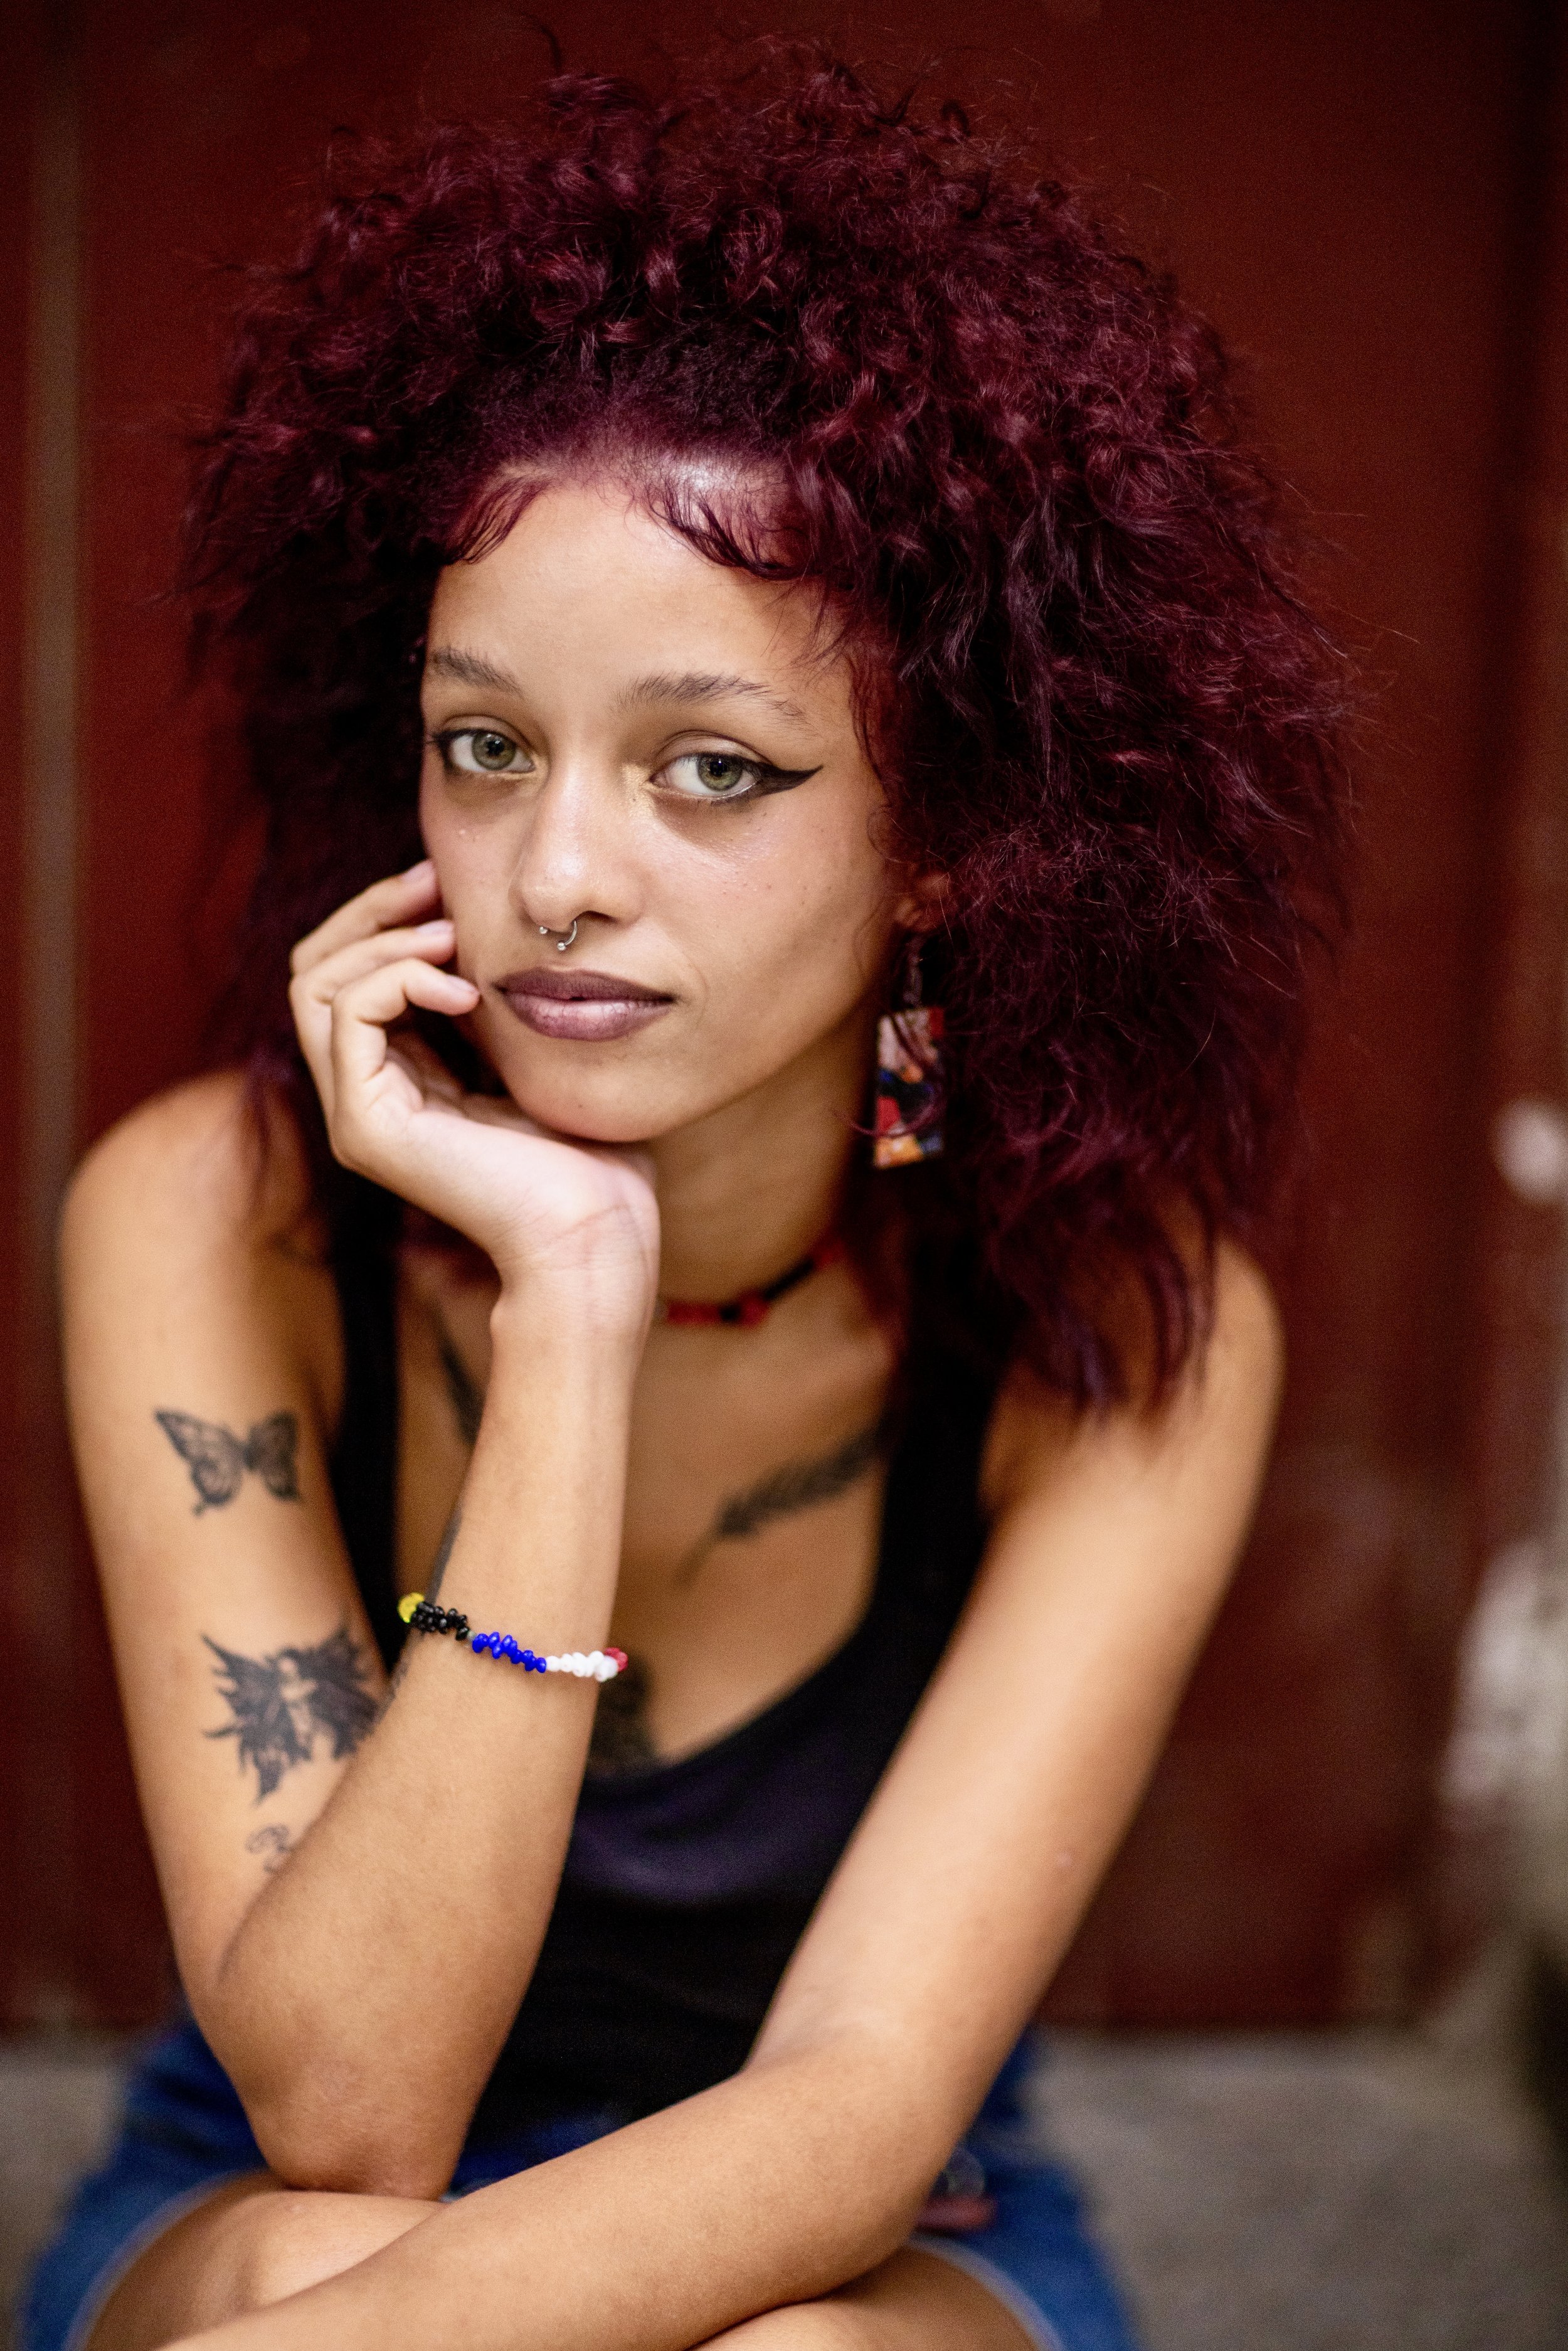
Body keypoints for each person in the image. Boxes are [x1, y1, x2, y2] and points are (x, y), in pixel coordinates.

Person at [23, 46, 1345, 2351]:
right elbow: (352, 2104)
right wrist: (567, 1296)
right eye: (483, 742)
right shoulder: (212, 1220)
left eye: (708, 766)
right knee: (326, 2240)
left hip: (858, 2234)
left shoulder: (1123, 1323)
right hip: (270, 2193)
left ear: (947, 826)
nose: (553, 876)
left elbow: (857, 2097)